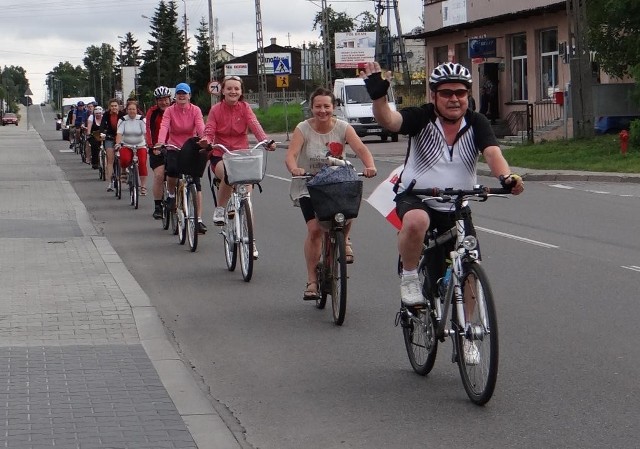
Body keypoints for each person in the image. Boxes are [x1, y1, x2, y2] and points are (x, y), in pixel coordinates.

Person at [359, 61, 523, 310]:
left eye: (461, 93)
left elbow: (492, 153)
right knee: (417, 221)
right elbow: (390, 121)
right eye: (447, 93)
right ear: (433, 95)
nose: (454, 99)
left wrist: (506, 177)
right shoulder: (421, 117)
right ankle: (410, 277)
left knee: (468, 268)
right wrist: (379, 98)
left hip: (457, 205)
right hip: (417, 197)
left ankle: (469, 338)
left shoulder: (477, 122)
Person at [284, 87, 377, 301]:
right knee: (315, 229)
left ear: (334, 108)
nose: (322, 110)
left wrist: (370, 165)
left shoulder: (343, 128)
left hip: (336, 182)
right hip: (309, 185)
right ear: (311, 107)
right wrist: (294, 168)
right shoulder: (303, 128)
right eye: (318, 106)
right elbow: (292, 154)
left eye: (327, 106)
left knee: (352, 196)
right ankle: (312, 281)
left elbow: (361, 149)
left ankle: (344, 239)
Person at [200, 76, 276, 245]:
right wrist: (207, 140)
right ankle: (220, 209)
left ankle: (251, 241)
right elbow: (210, 128)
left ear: (241, 92)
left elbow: (255, 125)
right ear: (223, 91)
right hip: (221, 153)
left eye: (237, 89)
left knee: (247, 199)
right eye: (229, 88)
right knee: (229, 175)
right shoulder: (216, 110)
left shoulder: (245, 108)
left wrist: (266, 141)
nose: (233, 91)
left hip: (242, 154)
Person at [156, 82, 208, 234]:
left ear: (189, 96)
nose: (181, 95)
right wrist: (160, 142)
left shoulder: (195, 110)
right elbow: (164, 126)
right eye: (179, 93)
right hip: (174, 146)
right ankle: (172, 195)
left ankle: (198, 220)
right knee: (172, 170)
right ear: (175, 96)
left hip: (190, 146)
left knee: (196, 183)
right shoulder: (170, 111)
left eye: (184, 93)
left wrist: (205, 140)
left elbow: (200, 126)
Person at [146, 86, 172, 219]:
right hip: (158, 148)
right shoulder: (152, 112)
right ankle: (158, 206)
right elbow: (148, 130)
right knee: (159, 175)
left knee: (176, 175)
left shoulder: (175, 110)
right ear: (156, 101)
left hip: (174, 147)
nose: (164, 102)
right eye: (160, 100)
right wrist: (152, 146)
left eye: (166, 99)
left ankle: (175, 197)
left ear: (170, 99)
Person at [115, 101, 148, 195]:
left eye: (133, 109)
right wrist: (118, 144)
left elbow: (145, 133)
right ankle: (124, 170)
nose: (131, 111)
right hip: (126, 144)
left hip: (140, 144)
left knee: (142, 163)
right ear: (126, 110)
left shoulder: (141, 119)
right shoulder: (123, 120)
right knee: (124, 160)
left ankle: (143, 186)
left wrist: (148, 144)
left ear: (137, 110)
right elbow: (119, 134)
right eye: (129, 109)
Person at [101, 99, 125, 192]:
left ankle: (124, 172)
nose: (114, 107)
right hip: (110, 137)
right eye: (112, 106)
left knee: (124, 156)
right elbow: (102, 126)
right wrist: (102, 133)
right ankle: (110, 182)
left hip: (121, 137)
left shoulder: (123, 115)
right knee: (110, 159)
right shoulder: (106, 115)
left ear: (118, 106)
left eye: (115, 106)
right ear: (109, 107)